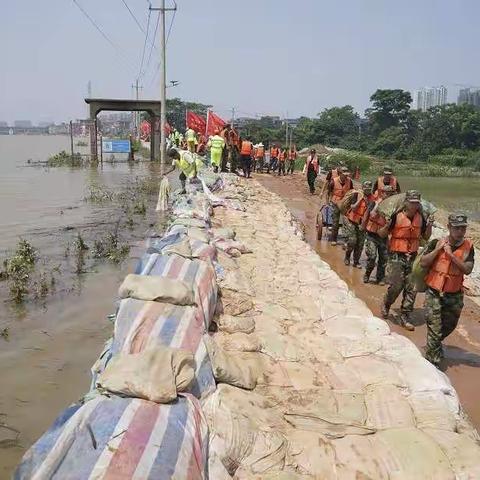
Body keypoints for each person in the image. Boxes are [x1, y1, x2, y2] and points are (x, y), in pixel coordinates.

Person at [420, 213, 474, 367]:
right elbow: (423, 263)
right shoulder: (437, 242)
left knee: (450, 325)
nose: (460, 232)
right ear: (449, 227)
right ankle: (432, 364)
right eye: (457, 228)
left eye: (463, 228)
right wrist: (437, 251)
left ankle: (434, 344)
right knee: (435, 329)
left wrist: (451, 255)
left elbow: (468, 269)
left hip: (454, 294)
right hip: (434, 292)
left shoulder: (468, 247)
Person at [379, 190, 433, 330]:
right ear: (406, 202)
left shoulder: (421, 217)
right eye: (412, 202)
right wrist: (387, 225)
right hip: (397, 255)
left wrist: (429, 226)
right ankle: (386, 303)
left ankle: (405, 315)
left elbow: (426, 237)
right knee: (396, 285)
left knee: (411, 288)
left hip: (413, 255)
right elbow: (381, 233)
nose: (414, 205)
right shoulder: (396, 216)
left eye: (416, 203)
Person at [361, 184, 395, 284]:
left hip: (383, 236)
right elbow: (370, 214)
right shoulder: (374, 203)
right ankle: (367, 274)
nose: (388, 196)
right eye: (386, 193)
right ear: (382, 193)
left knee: (383, 258)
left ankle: (380, 278)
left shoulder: (393, 207)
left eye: (390, 194)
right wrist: (379, 205)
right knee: (372, 257)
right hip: (372, 234)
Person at [343, 181, 374, 267]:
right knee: (352, 241)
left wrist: (364, 225)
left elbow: (369, 212)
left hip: (362, 223)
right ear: (363, 188)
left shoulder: (372, 199)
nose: (367, 190)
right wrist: (360, 199)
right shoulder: (356, 195)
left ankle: (356, 261)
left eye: (369, 189)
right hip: (352, 221)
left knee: (360, 244)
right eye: (366, 188)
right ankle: (347, 256)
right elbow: (353, 208)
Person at [327, 166, 353, 245]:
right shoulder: (333, 181)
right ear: (340, 174)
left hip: (345, 203)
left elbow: (352, 191)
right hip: (335, 203)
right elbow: (329, 192)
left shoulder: (349, 181)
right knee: (335, 222)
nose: (346, 176)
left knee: (346, 221)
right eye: (344, 175)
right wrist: (329, 201)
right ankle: (333, 239)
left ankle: (346, 240)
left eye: (346, 175)